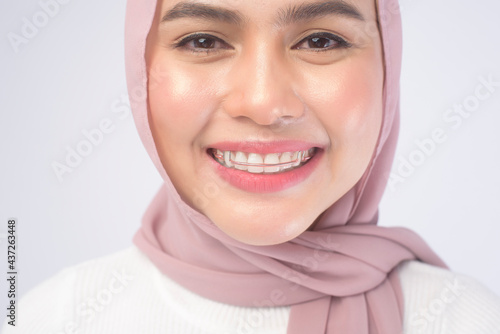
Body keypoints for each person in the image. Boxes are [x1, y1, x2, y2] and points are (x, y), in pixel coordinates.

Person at [3, 0, 500, 333]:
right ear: (141, 67)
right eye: (203, 41)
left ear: (388, 68)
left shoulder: (466, 320)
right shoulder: (51, 319)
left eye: (321, 41)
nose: (264, 103)